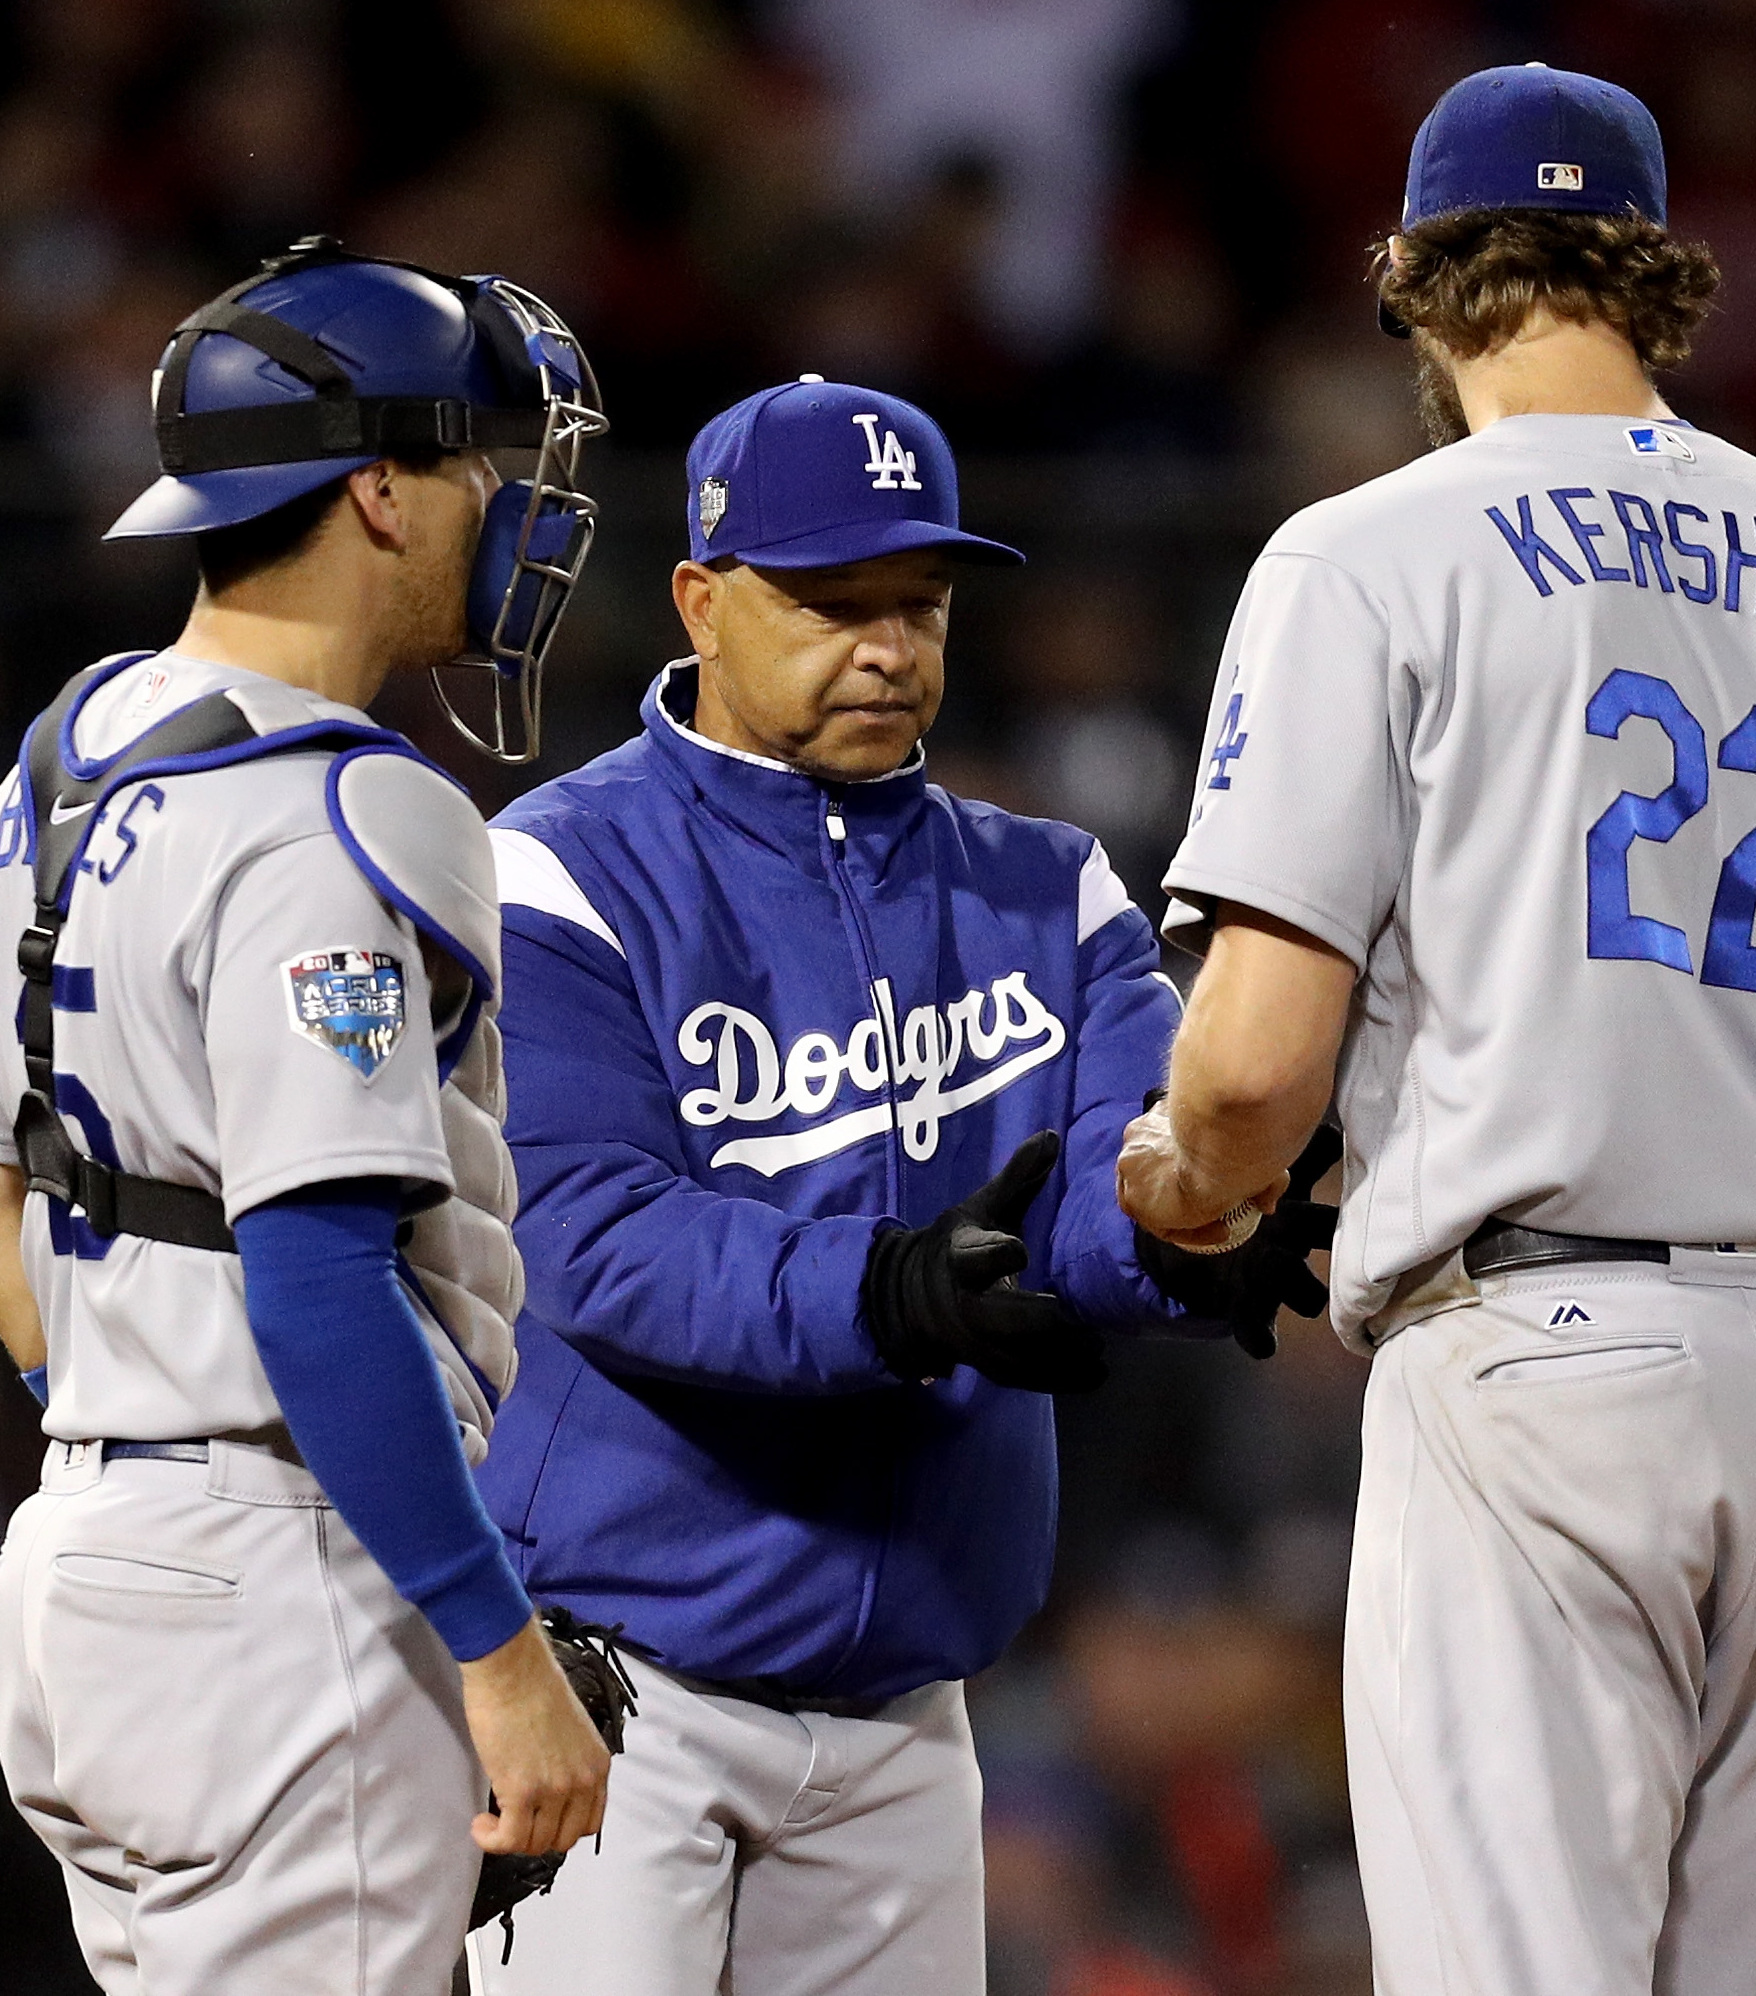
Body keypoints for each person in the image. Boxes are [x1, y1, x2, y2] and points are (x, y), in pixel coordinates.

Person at [1113, 64, 1756, 1996]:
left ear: (1408, 280)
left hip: (1540, 1370)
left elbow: (1243, 1067)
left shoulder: (1367, 552)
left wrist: (1184, 1183)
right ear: (1659, 284)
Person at [464, 375, 1325, 1994]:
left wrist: (1178, 1240)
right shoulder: (557, 872)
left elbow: (1107, 1170)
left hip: (911, 1707)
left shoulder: (1037, 879)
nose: (885, 643)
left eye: (914, 603)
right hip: (628, 1690)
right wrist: (889, 1286)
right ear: (700, 602)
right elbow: (580, 1229)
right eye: (831, 601)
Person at [0, 238, 615, 1992]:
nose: (507, 507)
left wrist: (141, 1435)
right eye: (477, 466)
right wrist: (490, 1647)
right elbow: (316, 1286)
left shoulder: (56, 765)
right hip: (276, 1599)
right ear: (378, 493)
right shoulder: (336, 812)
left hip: (79, 1568)